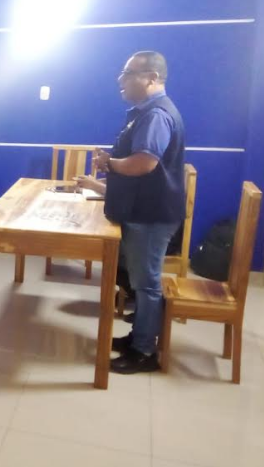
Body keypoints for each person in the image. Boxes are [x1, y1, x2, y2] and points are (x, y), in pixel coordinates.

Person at [90, 51, 186, 375]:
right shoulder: (145, 113)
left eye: (129, 73)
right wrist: (113, 164)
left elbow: (144, 163)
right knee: (140, 280)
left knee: (146, 284)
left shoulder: (156, 115)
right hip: (144, 211)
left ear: (151, 78)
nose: (121, 79)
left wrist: (110, 164)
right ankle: (137, 338)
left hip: (151, 215)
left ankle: (144, 352)